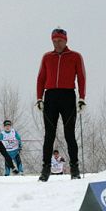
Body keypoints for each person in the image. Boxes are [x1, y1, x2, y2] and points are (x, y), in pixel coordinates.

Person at [36, 28, 86, 181]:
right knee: (49, 135)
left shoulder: (75, 56)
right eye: (54, 41)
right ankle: (45, 169)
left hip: (68, 96)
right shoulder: (47, 57)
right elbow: (41, 78)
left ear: (66, 40)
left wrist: (82, 98)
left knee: (69, 134)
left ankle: (75, 168)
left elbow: (82, 77)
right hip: (50, 96)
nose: (57, 44)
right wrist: (39, 98)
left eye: (60, 41)